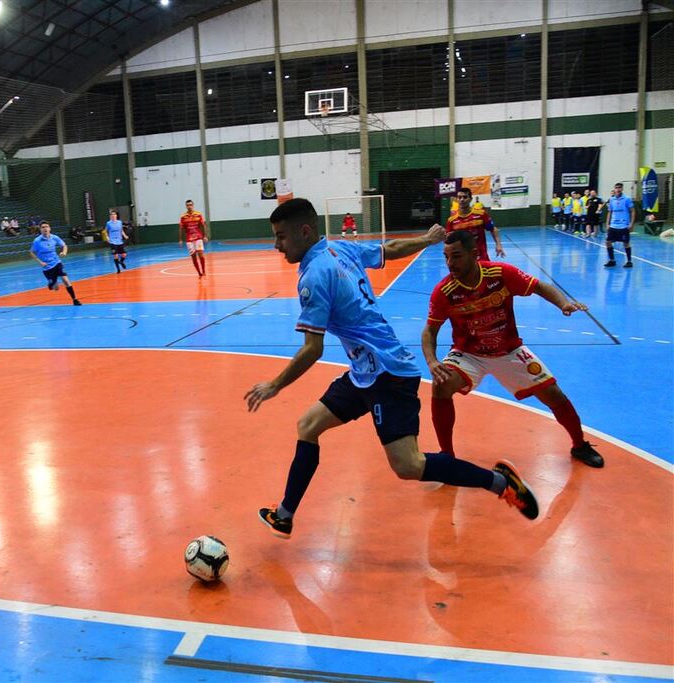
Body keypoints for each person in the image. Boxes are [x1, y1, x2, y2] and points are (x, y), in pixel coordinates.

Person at [245, 198, 539, 540]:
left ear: (305, 231)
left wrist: (275, 385)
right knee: (308, 425)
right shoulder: (341, 249)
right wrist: (426, 241)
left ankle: (502, 483)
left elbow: (313, 349)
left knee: (409, 466)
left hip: (388, 372)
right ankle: (284, 515)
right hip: (364, 373)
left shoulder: (313, 276)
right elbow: (391, 249)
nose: (277, 245)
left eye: (281, 236)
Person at [421, 230, 604, 469]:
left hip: (509, 350)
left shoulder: (500, 274)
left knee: (554, 394)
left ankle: (579, 445)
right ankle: (447, 455)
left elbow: (539, 287)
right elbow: (429, 331)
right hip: (469, 354)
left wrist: (563, 303)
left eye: (456, 256)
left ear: (474, 253)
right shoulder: (444, 291)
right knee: (441, 384)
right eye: (446, 257)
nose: (450, 263)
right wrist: (433, 362)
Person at [445, 186, 504, 261]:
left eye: (465, 197)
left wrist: (498, 244)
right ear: (457, 199)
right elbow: (448, 240)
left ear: (470, 199)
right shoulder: (451, 220)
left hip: (481, 257)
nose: (462, 200)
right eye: (459, 197)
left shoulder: (480, 214)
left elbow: (493, 229)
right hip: (463, 260)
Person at [30, 222, 81, 306]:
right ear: (40, 229)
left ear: (49, 228)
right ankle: (51, 283)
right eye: (43, 227)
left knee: (66, 280)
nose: (45, 228)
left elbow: (64, 245)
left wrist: (64, 252)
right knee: (55, 288)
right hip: (47, 267)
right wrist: (40, 262)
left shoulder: (54, 237)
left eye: (47, 226)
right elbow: (32, 252)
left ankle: (75, 299)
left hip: (57, 262)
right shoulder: (37, 241)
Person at [604, 182, 635, 268]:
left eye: (619, 188)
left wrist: (631, 224)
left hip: (623, 225)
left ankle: (629, 261)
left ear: (622, 189)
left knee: (626, 243)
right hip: (613, 225)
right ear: (614, 189)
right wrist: (607, 224)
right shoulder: (612, 200)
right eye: (616, 187)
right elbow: (610, 212)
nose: (618, 189)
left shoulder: (627, 199)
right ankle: (612, 260)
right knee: (608, 242)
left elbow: (632, 211)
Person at [179, 199, 209, 277]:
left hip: (198, 237)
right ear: (186, 206)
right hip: (189, 239)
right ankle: (199, 273)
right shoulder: (183, 217)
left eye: (191, 205)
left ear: (193, 205)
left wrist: (205, 236)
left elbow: (203, 225)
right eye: (188, 205)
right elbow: (181, 228)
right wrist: (180, 240)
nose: (189, 206)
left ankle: (204, 271)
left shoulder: (198, 214)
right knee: (193, 256)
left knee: (201, 255)